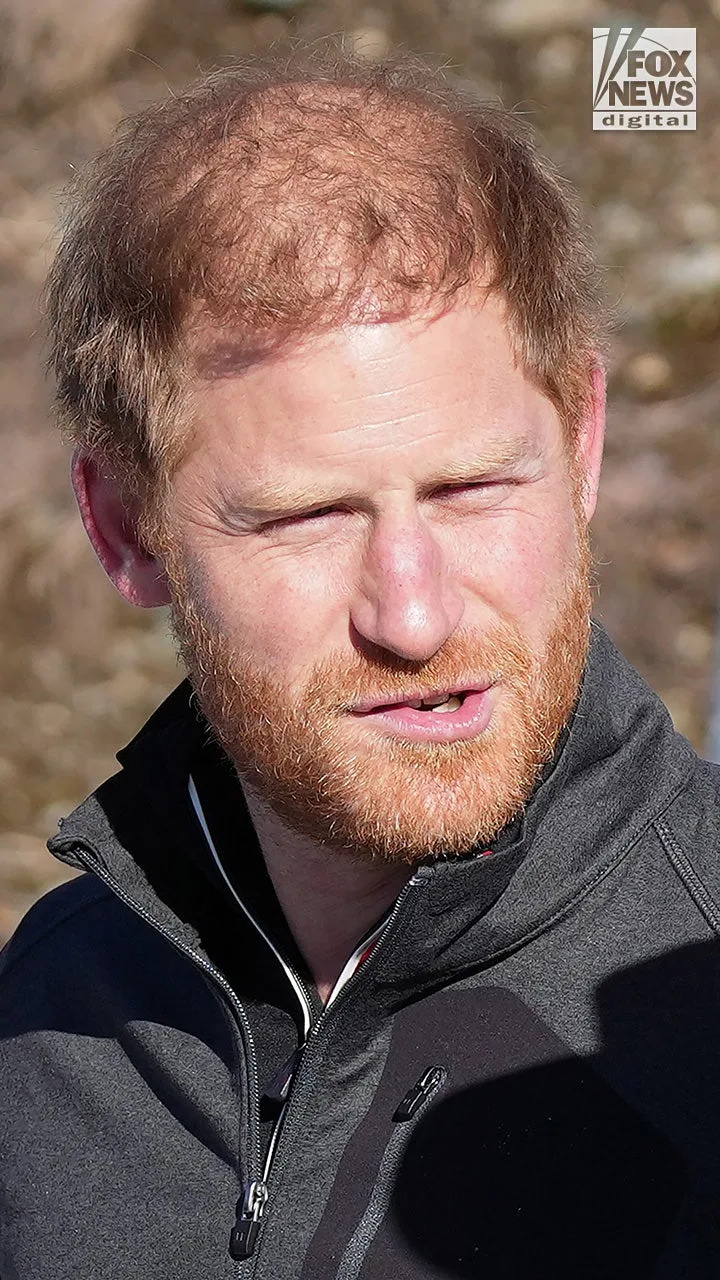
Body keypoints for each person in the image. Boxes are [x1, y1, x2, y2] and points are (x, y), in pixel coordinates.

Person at [1, 37, 719, 1280]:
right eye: (305, 516)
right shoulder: (55, 1010)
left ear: (585, 440)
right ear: (127, 528)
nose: (415, 613)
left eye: (475, 486)